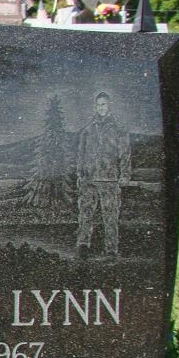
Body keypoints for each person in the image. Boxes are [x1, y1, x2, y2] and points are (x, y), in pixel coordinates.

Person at [75, 91, 131, 258]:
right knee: (85, 214)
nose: (101, 108)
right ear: (95, 106)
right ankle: (83, 245)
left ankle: (111, 249)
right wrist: (80, 173)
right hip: (89, 179)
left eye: (104, 104)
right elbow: (81, 153)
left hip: (109, 179)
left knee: (110, 215)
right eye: (98, 104)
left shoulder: (119, 129)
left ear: (109, 104)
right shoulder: (88, 129)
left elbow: (125, 153)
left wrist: (125, 175)